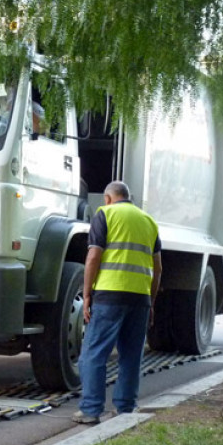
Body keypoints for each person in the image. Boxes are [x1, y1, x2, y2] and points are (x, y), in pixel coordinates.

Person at [72, 181, 162, 424]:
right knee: (131, 356)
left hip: (110, 295)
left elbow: (93, 256)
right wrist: (151, 302)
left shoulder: (106, 214)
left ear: (108, 198)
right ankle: (125, 410)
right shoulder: (148, 221)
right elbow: (158, 267)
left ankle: (91, 410)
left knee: (93, 354)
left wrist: (87, 293)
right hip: (140, 298)